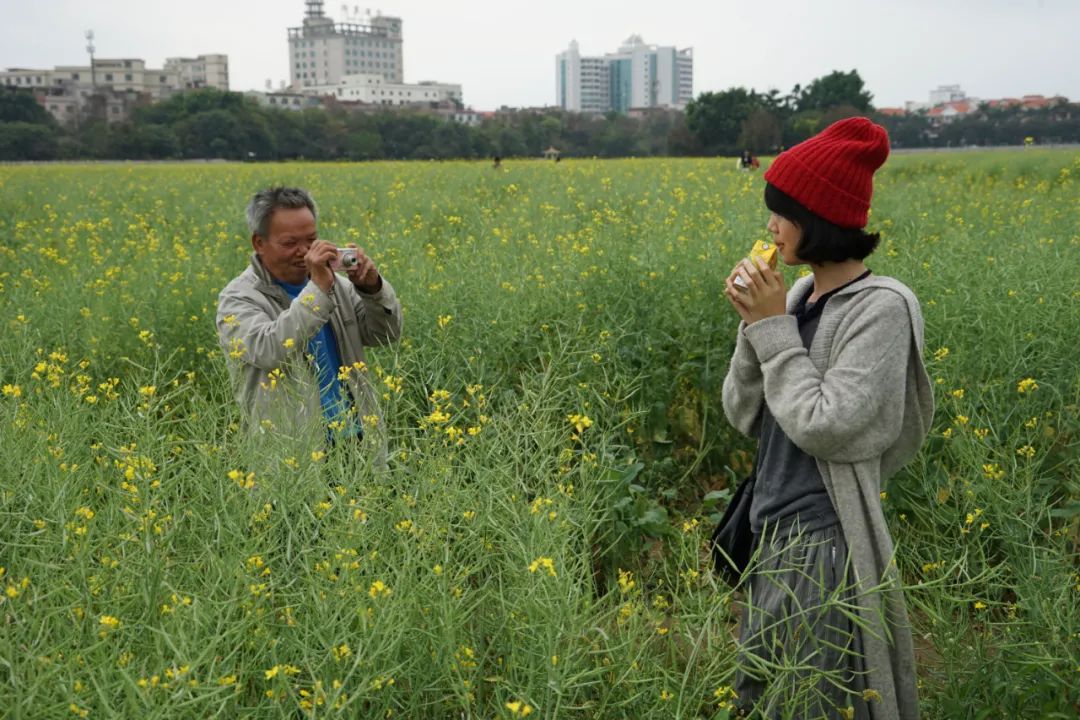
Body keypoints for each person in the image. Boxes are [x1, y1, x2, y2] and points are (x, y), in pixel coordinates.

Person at [720, 117, 933, 719]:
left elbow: (826, 425)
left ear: (819, 217)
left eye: (781, 212)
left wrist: (770, 330)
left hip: (825, 538)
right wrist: (752, 323)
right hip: (770, 531)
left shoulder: (882, 308)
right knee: (761, 693)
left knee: (819, 697)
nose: (770, 226)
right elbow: (742, 414)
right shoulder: (793, 300)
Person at [216, 186, 402, 459]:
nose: (303, 253)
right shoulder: (238, 299)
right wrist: (318, 289)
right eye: (290, 243)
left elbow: (385, 334)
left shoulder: (335, 285)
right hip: (293, 455)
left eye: (311, 240)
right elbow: (269, 350)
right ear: (259, 242)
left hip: (358, 439)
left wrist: (372, 289)